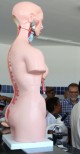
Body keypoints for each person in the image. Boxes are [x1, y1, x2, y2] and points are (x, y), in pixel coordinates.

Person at [5, 2, 48, 142]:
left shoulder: (13, 50)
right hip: (30, 113)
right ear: (30, 18)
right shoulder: (33, 52)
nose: (42, 26)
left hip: (15, 108)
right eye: (41, 21)